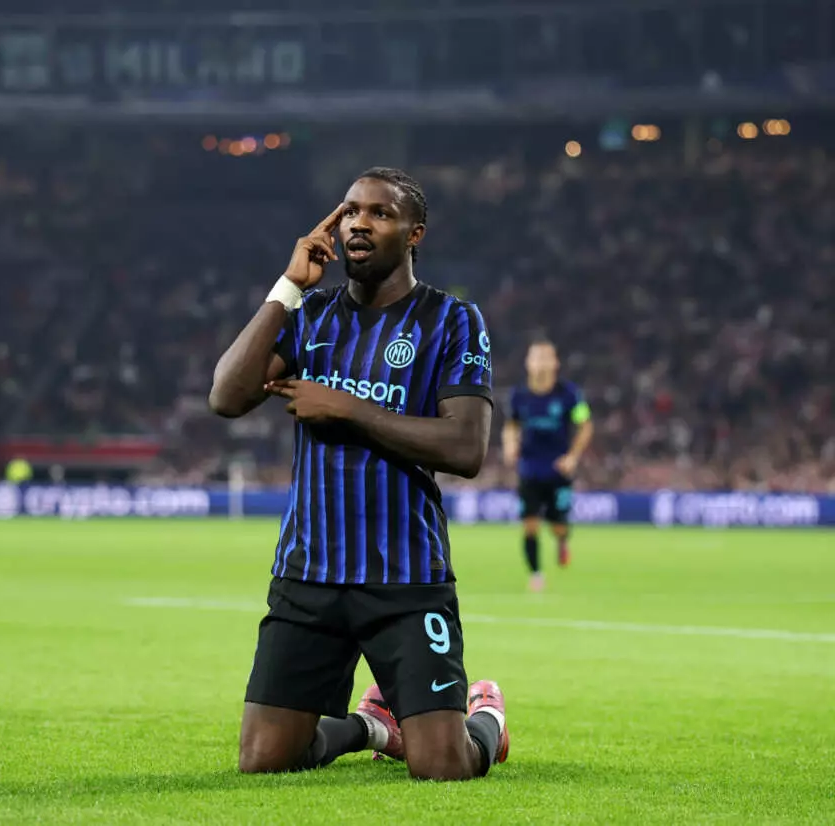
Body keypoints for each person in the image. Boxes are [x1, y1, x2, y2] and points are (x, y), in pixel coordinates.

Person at [210, 167, 509, 780]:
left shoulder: (451, 321)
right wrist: (289, 285)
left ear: (414, 233)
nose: (358, 224)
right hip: (310, 573)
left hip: (405, 578)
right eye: (349, 212)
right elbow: (227, 395)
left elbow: (465, 447)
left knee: (442, 768)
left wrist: (347, 408)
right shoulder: (310, 315)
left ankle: (486, 719)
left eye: (379, 213)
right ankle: (372, 726)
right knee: (264, 761)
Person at [502, 340, 593, 592]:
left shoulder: (569, 394)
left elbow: (585, 425)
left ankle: (562, 540)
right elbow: (512, 425)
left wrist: (572, 456)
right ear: (528, 363)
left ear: (556, 363)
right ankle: (536, 574)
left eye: (546, 358)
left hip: (558, 469)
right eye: (536, 358)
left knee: (558, 526)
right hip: (529, 468)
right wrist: (509, 444)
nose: (541, 363)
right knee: (529, 524)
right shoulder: (518, 396)